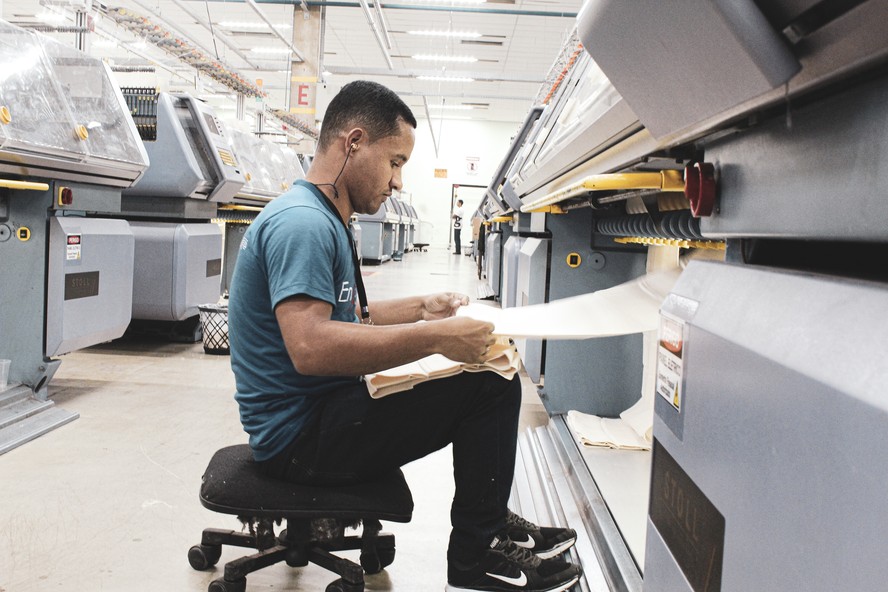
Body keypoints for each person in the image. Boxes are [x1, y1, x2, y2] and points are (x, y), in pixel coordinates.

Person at [228, 80, 582, 592]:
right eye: (395, 162)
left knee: (488, 369)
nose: (397, 183)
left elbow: (349, 317)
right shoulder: (304, 224)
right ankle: (474, 559)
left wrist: (422, 309)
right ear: (353, 143)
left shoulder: (321, 216)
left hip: (320, 416)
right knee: (491, 386)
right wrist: (437, 339)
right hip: (302, 438)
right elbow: (311, 348)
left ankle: (490, 521)